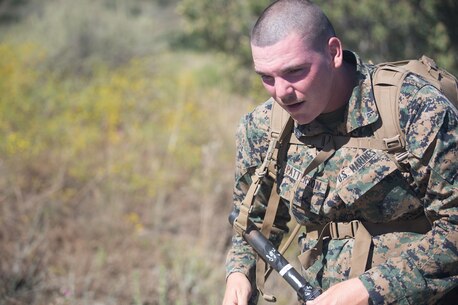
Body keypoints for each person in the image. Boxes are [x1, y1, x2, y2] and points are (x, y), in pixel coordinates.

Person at [222, 1, 458, 305]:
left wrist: (370, 289)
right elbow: (250, 221)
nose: (281, 92)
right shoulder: (264, 128)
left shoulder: (414, 109)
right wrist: (239, 274)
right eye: (267, 77)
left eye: (294, 71)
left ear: (333, 52)